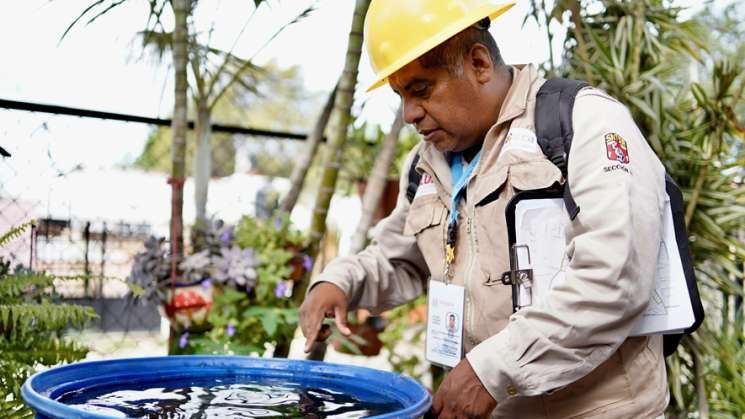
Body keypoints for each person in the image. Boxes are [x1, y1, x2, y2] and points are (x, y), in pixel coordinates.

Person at [299, 1, 668, 417]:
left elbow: (614, 274)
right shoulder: (427, 165)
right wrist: (340, 283)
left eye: (420, 89)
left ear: (478, 63)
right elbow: (399, 257)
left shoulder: (584, 123)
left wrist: (492, 370)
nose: (408, 114)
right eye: (400, 95)